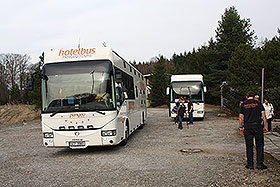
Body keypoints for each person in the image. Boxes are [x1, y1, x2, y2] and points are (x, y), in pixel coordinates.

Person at [239, 91, 268, 170]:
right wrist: (265, 126)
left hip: (248, 126)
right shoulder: (258, 103)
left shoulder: (243, 104)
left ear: (247, 96)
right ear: (254, 96)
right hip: (257, 126)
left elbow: (241, 117)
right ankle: (259, 164)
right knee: (259, 145)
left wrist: (241, 127)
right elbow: (264, 115)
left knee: (249, 146)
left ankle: (250, 164)